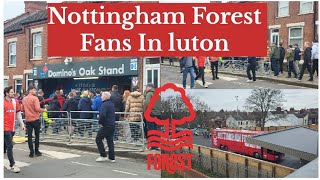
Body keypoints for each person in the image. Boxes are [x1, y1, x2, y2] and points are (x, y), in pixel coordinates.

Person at [4, 86, 25, 173]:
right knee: (10, 146)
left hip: (12, 127)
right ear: (7, 93)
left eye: (13, 92)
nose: (13, 93)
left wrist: (22, 124)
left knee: (6, 145)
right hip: (4, 128)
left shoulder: (15, 102)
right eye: (11, 92)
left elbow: (18, 114)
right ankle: (12, 164)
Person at [22, 85, 46, 158]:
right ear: (30, 90)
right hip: (35, 119)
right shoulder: (35, 98)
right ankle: (36, 151)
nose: (35, 91)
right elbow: (37, 108)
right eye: (34, 90)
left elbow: (23, 109)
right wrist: (44, 110)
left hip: (28, 120)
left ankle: (31, 152)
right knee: (37, 136)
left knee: (29, 136)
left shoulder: (24, 99)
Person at [95, 91, 116, 163]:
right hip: (112, 124)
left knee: (98, 139)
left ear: (105, 97)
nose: (101, 97)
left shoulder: (104, 105)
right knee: (110, 141)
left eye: (102, 96)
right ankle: (112, 157)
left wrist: (100, 123)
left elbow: (102, 115)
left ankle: (103, 155)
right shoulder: (111, 104)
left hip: (106, 125)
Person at [144, 83, 161, 150]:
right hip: (158, 114)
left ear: (150, 87)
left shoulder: (149, 94)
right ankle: (157, 145)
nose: (146, 88)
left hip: (151, 114)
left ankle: (152, 145)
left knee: (151, 130)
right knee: (156, 130)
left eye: (146, 87)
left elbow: (147, 103)